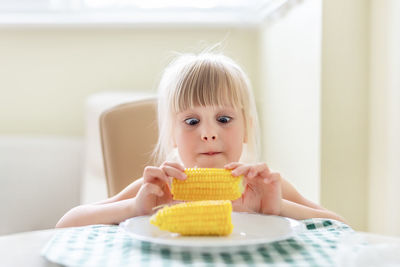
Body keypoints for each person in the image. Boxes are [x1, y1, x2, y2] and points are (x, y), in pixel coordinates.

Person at [56, 52, 345, 228]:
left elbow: (342, 227)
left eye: (224, 119)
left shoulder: (266, 188)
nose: (208, 133)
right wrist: (133, 208)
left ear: (247, 128)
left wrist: (277, 208)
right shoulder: (159, 189)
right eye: (191, 121)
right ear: (172, 134)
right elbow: (66, 224)